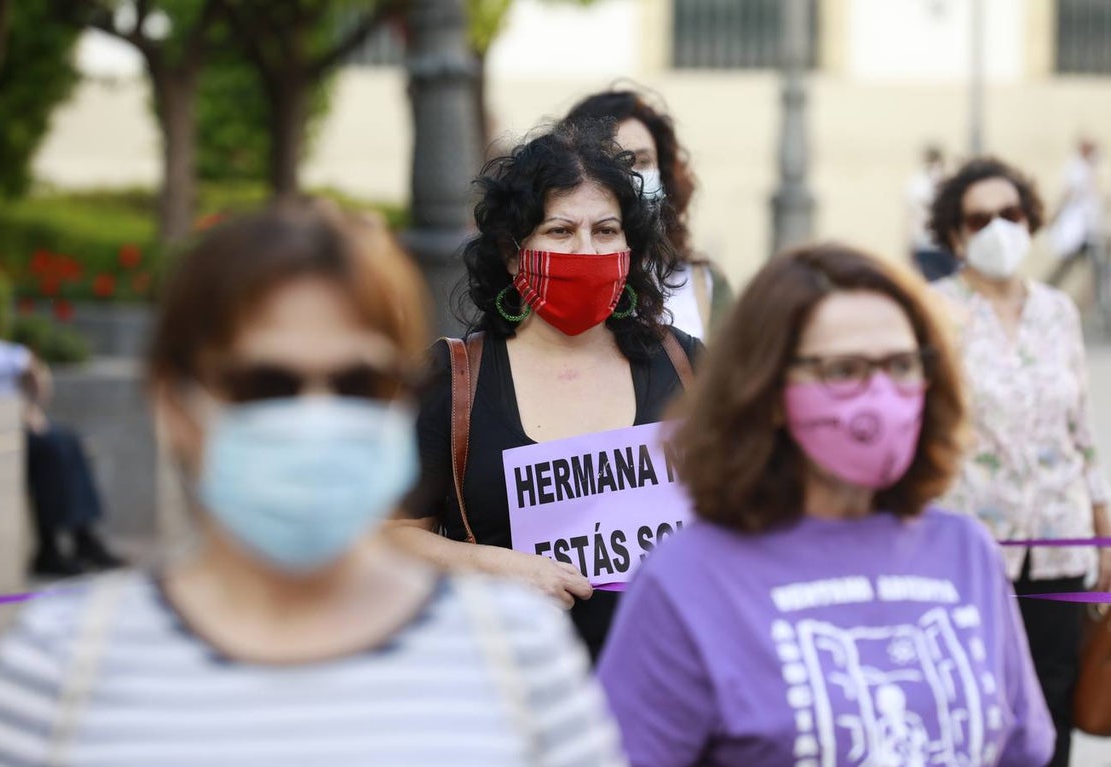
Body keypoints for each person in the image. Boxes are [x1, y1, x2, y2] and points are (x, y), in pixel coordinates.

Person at [0, 203, 627, 766]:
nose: (318, 417)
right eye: (267, 386)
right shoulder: (60, 667)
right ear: (173, 404)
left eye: (358, 385)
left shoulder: (518, 656)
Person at [597, 243, 1054, 767]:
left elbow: (1022, 750)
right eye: (843, 370)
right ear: (765, 390)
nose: (880, 395)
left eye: (902, 364)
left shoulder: (966, 551)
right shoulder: (685, 580)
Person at [391, 120, 699, 661]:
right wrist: (491, 565)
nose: (585, 251)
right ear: (513, 254)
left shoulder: (690, 366)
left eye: (606, 231)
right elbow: (388, 537)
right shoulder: (454, 379)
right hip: (508, 688)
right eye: (560, 231)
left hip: (673, 683)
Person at [928, 157, 1110, 767]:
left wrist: (1103, 533)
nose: (997, 229)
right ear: (955, 233)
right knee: (979, 700)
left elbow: (1082, 426)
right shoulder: (934, 310)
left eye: (1010, 214)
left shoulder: (1057, 310)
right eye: (979, 219)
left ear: (1030, 221)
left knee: (1056, 698)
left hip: (1060, 541)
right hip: (973, 547)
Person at [0, 237, 123, 577]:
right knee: (51, 448)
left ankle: (83, 536)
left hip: (4, 416)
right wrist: (23, 360)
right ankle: (51, 545)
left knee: (67, 441)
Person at [564, 89, 732, 340]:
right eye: (612, 161)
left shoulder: (704, 284)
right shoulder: (553, 278)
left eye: (641, 161)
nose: (631, 177)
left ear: (664, 173)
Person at [1046, 138, 1106, 289]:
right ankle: (1046, 290)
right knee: (1065, 267)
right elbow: (1068, 195)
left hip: (1088, 231)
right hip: (1077, 229)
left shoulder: (1088, 169)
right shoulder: (1076, 170)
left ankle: (1103, 305)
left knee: (1098, 268)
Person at [906, 144, 958, 282]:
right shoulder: (949, 179)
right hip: (943, 244)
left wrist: (910, 246)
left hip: (928, 244)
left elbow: (912, 217)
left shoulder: (917, 183)